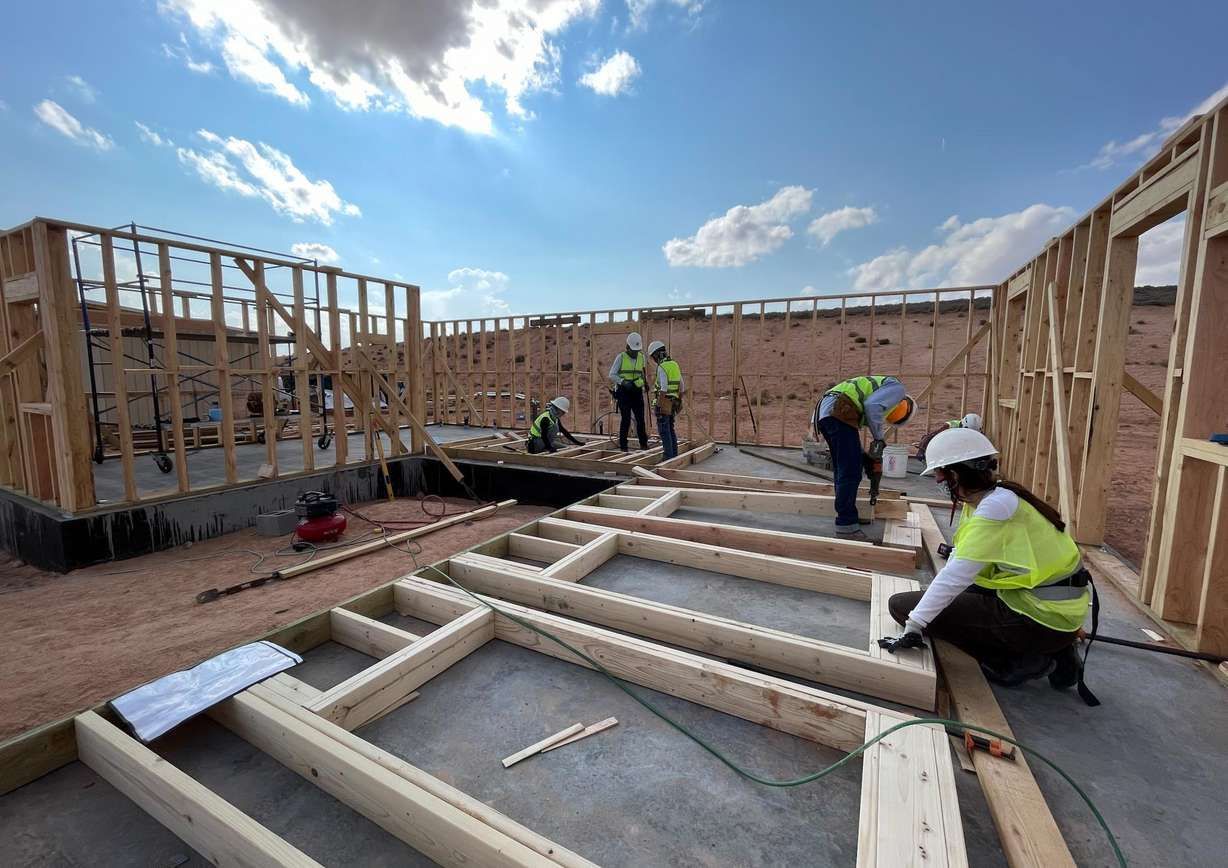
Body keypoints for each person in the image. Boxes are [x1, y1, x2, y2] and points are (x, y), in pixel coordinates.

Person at [879, 427, 1093, 698]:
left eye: (940, 474)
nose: (937, 481)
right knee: (943, 600)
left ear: (955, 475)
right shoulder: (996, 497)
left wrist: (914, 626)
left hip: (1041, 617)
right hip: (1055, 611)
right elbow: (962, 562)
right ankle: (1056, 649)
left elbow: (954, 577)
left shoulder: (994, 510)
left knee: (902, 606)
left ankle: (1022, 660)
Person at [813, 375, 915, 540]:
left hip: (829, 411)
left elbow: (868, 407)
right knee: (850, 472)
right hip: (839, 410)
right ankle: (846, 524)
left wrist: (867, 459)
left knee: (846, 467)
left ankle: (848, 516)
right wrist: (879, 438)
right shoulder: (897, 389)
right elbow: (872, 406)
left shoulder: (880, 388)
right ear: (904, 404)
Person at [608, 332, 649, 452]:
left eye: (637, 350)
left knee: (640, 419)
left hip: (636, 391)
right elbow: (612, 375)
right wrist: (622, 381)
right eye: (633, 350)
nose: (635, 353)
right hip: (624, 392)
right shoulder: (621, 357)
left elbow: (642, 373)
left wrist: (645, 383)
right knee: (626, 419)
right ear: (627, 347)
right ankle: (623, 447)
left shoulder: (641, 357)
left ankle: (643, 444)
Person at [647, 340, 684, 460]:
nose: (654, 360)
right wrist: (678, 400)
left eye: (653, 357)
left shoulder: (662, 367)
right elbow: (682, 386)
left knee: (664, 431)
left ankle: (668, 456)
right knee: (670, 429)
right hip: (673, 402)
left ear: (656, 355)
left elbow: (663, 389)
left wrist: (658, 405)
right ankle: (674, 455)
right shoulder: (674, 364)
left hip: (664, 403)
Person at [915, 413, 982, 461]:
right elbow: (932, 436)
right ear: (964, 426)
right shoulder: (950, 426)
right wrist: (921, 450)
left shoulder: (973, 431)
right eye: (969, 432)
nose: (969, 434)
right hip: (945, 448)